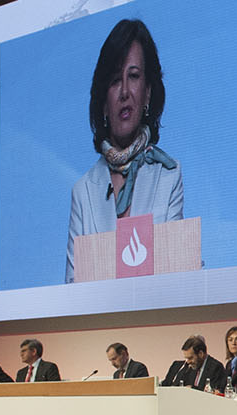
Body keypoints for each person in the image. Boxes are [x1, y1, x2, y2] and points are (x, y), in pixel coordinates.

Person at [66, 18, 183, 284]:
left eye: (134, 76)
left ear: (148, 93)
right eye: (115, 80)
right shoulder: (83, 192)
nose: (125, 92)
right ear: (104, 103)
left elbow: (179, 274)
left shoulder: (169, 176)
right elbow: (73, 289)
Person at [161, 335, 226, 390]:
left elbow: (212, 392)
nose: (188, 361)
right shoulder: (192, 366)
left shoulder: (216, 367)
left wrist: (192, 388)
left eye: (190, 358)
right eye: (186, 358)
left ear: (200, 354)